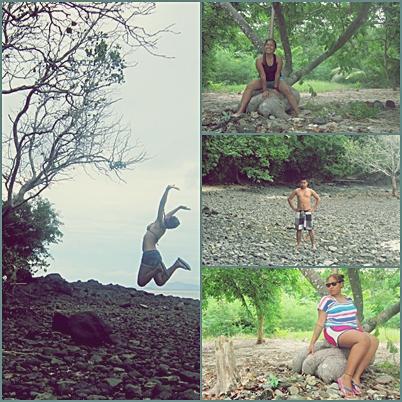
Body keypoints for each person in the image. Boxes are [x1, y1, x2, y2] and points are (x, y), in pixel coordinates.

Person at [308, 274, 379, 397]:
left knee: (374, 340)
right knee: (363, 339)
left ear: (341, 284)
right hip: (335, 330)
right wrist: (312, 342)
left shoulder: (349, 300)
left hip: (351, 330)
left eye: (333, 284)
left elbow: (355, 319)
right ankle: (346, 377)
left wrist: (362, 332)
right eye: (328, 285)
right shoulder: (326, 300)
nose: (330, 287)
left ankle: (356, 377)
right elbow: (320, 322)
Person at [137, 184, 191, 287]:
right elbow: (168, 215)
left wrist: (167, 190)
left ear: (168, 220)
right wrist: (178, 208)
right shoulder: (163, 227)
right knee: (160, 281)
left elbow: (162, 204)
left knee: (141, 282)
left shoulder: (159, 223)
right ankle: (176, 264)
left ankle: (157, 268)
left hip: (149, 255)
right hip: (155, 255)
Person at [233, 38, 300, 117]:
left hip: (276, 80)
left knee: (288, 91)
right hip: (264, 80)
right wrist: (264, 90)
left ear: (274, 48)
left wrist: (275, 88)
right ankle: (240, 111)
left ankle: (297, 112)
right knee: (250, 86)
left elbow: (277, 74)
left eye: (271, 45)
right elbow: (262, 76)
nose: (269, 47)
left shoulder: (278, 59)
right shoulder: (259, 60)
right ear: (264, 47)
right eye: (267, 45)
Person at [287, 178, 320, 252]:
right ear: (299, 183)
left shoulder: (310, 191)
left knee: (310, 229)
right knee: (299, 229)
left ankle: (313, 245)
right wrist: (293, 208)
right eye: (301, 182)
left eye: (304, 182)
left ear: (307, 183)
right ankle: (298, 244)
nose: (303, 184)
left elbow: (318, 198)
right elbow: (289, 199)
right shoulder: (297, 191)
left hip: (308, 211)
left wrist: (314, 208)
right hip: (299, 211)